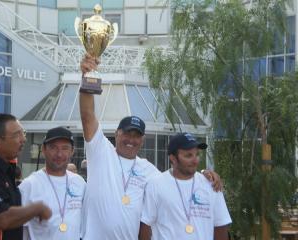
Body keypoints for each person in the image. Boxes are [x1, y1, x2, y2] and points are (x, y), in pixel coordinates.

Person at [79, 55, 223, 239]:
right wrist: (86, 77)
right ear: (117, 134)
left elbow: (177, 181)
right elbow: (87, 115)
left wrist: (204, 176)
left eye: (136, 135)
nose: (131, 139)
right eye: (127, 133)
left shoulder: (148, 170)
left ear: (143, 139)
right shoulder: (100, 152)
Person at [139, 133, 232, 240]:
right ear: (173, 158)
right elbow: (145, 225)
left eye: (197, 154)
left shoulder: (212, 184)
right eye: (188, 155)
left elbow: (220, 226)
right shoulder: (155, 184)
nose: (195, 160)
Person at [0, 113, 52, 240]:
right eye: (17, 135)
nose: (23, 139)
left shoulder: (5, 168)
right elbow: (2, 218)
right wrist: (37, 208)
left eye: (23, 132)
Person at [19, 127, 86, 240]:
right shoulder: (29, 185)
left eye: (65, 148)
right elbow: (20, 230)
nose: (59, 154)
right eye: (53, 147)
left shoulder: (79, 183)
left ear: (72, 151)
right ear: (43, 150)